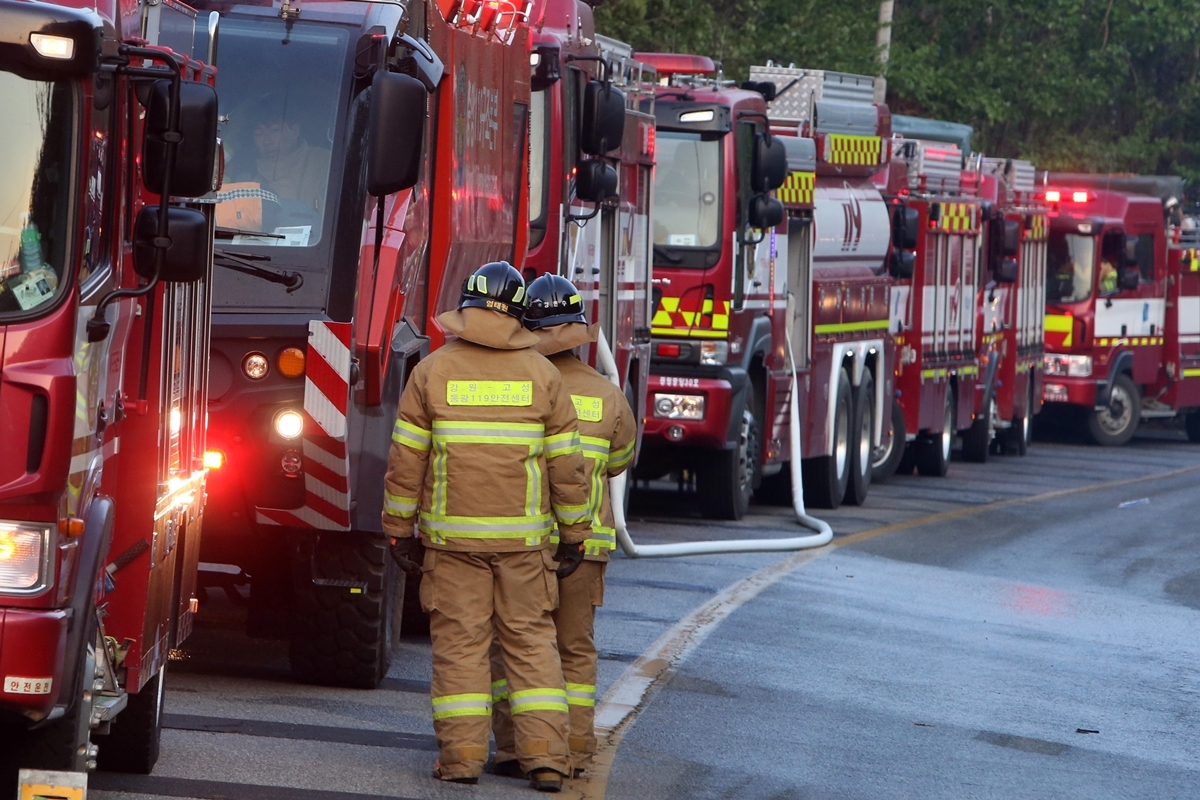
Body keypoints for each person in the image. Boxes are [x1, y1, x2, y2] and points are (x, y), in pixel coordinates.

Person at [381, 262, 593, 792]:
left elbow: (406, 463)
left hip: (453, 546)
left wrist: (398, 529)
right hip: (525, 546)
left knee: (460, 646)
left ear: (466, 307)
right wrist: (573, 535)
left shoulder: (431, 371)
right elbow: (568, 468)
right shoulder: (543, 375)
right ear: (520, 314)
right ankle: (546, 760)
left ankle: (461, 760)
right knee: (531, 643)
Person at [488, 274, 637, 780]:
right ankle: (572, 750)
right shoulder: (608, 397)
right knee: (573, 650)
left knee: (515, 647)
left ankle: (515, 749)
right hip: (587, 548)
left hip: (524, 542)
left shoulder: (517, 387)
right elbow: (619, 462)